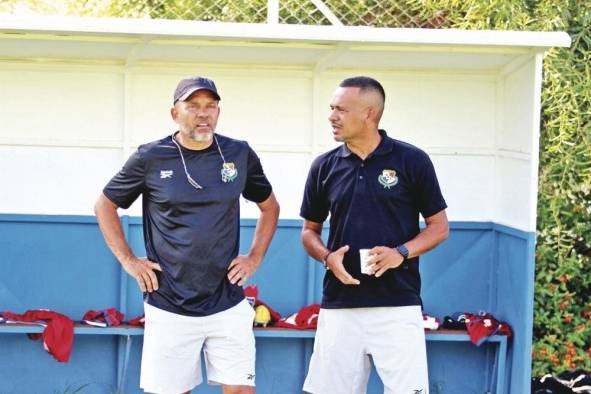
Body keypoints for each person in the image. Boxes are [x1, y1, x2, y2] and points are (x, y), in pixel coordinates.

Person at [94, 76, 279, 394]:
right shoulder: (150, 157)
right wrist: (128, 260)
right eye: (193, 106)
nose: (203, 114)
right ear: (174, 113)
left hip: (227, 300)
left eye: (211, 106)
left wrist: (254, 257)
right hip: (170, 302)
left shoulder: (238, 153)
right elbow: (105, 205)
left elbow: (270, 207)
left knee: (240, 390)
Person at [300, 76, 449, 394]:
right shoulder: (324, 166)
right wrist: (327, 257)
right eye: (331, 108)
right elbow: (308, 232)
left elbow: (439, 227)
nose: (332, 116)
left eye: (340, 109)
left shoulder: (412, 161)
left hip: (397, 305)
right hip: (340, 305)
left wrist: (401, 253)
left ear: (369, 113)